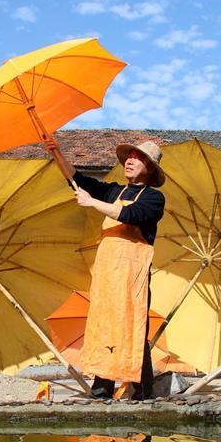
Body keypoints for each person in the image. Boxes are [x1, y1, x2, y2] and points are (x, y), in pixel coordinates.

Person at [65, 140, 166, 400]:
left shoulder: (154, 198)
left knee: (133, 327)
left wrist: (92, 203)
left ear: (151, 169)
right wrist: (56, 153)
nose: (129, 161)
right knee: (104, 326)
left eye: (137, 158)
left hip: (133, 277)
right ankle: (102, 388)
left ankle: (142, 390)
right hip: (108, 275)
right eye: (128, 157)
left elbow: (130, 215)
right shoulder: (114, 192)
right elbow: (79, 181)